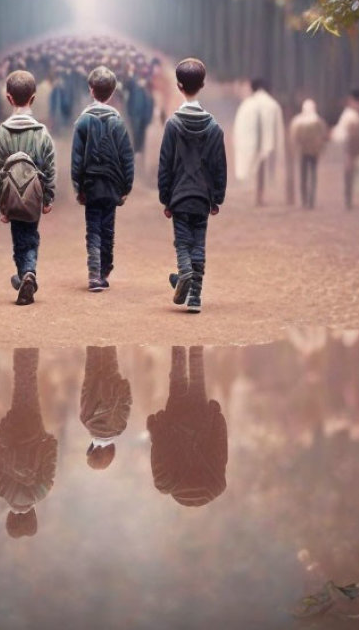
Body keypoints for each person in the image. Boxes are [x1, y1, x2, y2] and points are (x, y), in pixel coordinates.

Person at [158, 58, 227, 313]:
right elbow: (219, 167)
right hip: (202, 198)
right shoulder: (214, 128)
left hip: (179, 197)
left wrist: (165, 199)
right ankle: (195, 297)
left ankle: (184, 273)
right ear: (203, 84)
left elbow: (165, 165)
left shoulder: (173, 125)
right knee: (199, 245)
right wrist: (216, 197)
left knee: (183, 244)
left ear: (178, 85)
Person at [0, 70, 56, 306]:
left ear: (8, 98)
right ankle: (28, 272)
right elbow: (49, 168)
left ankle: (25, 272)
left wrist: (1, 204)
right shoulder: (42, 134)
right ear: (33, 98)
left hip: (12, 198)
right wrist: (47, 199)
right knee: (31, 236)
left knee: (19, 238)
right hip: (34, 197)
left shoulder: (1, 134)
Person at [71, 66, 135, 291]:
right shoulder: (118, 122)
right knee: (108, 228)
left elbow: (76, 159)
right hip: (112, 184)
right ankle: (105, 269)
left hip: (90, 185)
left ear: (91, 90)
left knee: (93, 229)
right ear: (113, 91)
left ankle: (93, 273)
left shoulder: (82, 122)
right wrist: (127, 184)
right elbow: (127, 155)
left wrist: (77, 186)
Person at [0, 348, 58, 539]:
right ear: (10, 518)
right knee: (19, 391)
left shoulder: (41, 492)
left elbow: (50, 458)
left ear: (33, 517)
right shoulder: (2, 490)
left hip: (34, 432)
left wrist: (48, 440)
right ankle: (21, 352)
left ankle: (28, 349)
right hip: (11, 433)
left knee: (29, 388)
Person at [147, 346, 228, 507]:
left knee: (197, 379)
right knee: (178, 380)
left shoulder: (215, 484)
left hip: (201, 421)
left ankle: (196, 340)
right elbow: (160, 451)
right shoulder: (167, 483)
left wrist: (216, 416)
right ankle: (179, 340)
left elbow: (219, 448)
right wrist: (156, 426)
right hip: (175, 421)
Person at [233, 77, 285, 206]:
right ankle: (259, 195)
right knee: (262, 169)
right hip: (268, 145)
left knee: (255, 169)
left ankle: (258, 195)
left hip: (252, 145)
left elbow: (239, 128)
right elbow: (278, 129)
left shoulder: (247, 105)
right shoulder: (273, 104)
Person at [80, 346, 132, 470]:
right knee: (93, 342)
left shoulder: (120, 427)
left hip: (112, 377)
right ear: (93, 450)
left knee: (110, 345)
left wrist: (121, 384)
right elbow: (86, 391)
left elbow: (126, 401)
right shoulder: (85, 421)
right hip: (93, 372)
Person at [332, 88, 359, 210]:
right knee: (350, 174)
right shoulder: (353, 113)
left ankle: (348, 198)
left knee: (350, 174)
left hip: (352, 146)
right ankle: (348, 199)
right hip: (351, 147)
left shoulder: (352, 113)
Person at [288, 99, 330, 209]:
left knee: (303, 176)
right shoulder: (318, 121)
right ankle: (311, 200)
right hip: (314, 152)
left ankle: (304, 200)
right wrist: (321, 148)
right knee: (313, 175)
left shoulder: (298, 121)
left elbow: (294, 137)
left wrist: (295, 148)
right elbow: (324, 136)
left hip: (303, 152)